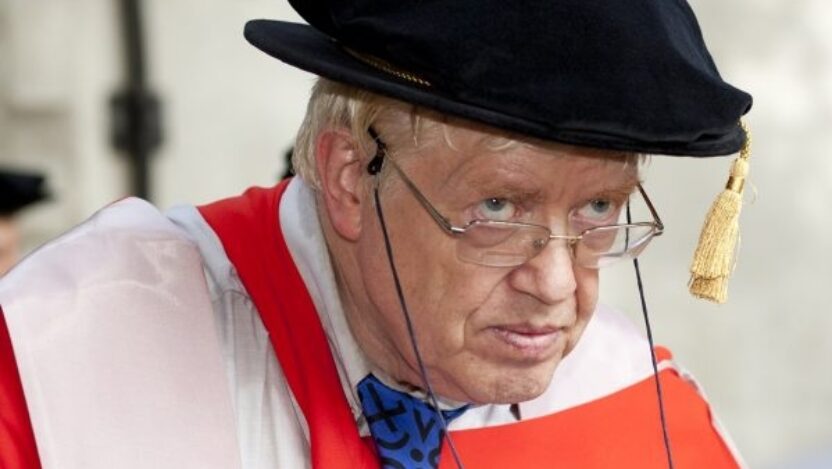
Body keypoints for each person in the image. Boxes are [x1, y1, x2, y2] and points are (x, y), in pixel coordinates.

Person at [0, 1, 753, 468]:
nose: (557, 284)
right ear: (349, 175)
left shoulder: (631, 406)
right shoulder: (62, 365)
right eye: (497, 206)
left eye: (597, 212)